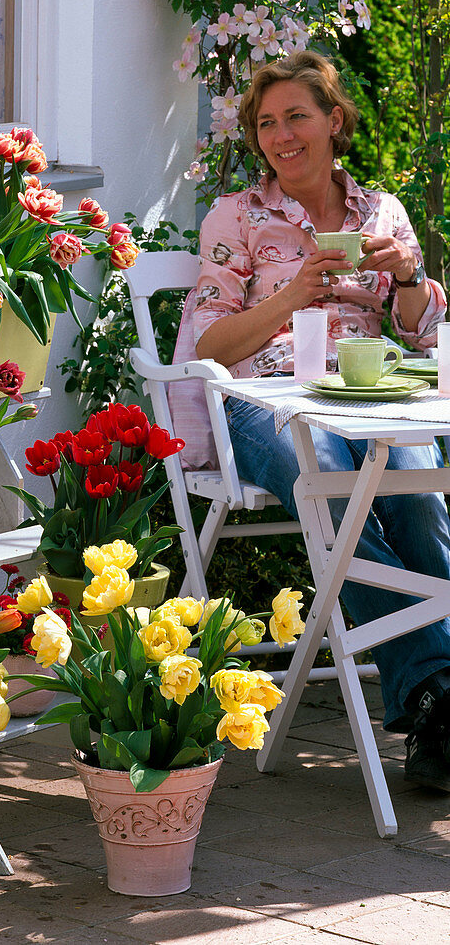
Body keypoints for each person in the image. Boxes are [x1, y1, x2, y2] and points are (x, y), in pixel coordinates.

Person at [193, 50, 450, 792]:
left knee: (418, 498)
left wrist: (406, 275)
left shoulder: (382, 213)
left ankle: (432, 697)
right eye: (266, 123)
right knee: (338, 486)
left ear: (332, 121)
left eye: (296, 116)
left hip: (370, 395)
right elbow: (210, 345)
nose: (281, 135)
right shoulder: (236, 217)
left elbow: (419, 336)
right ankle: (435, 691)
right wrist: (289, 299)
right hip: (266, 404)